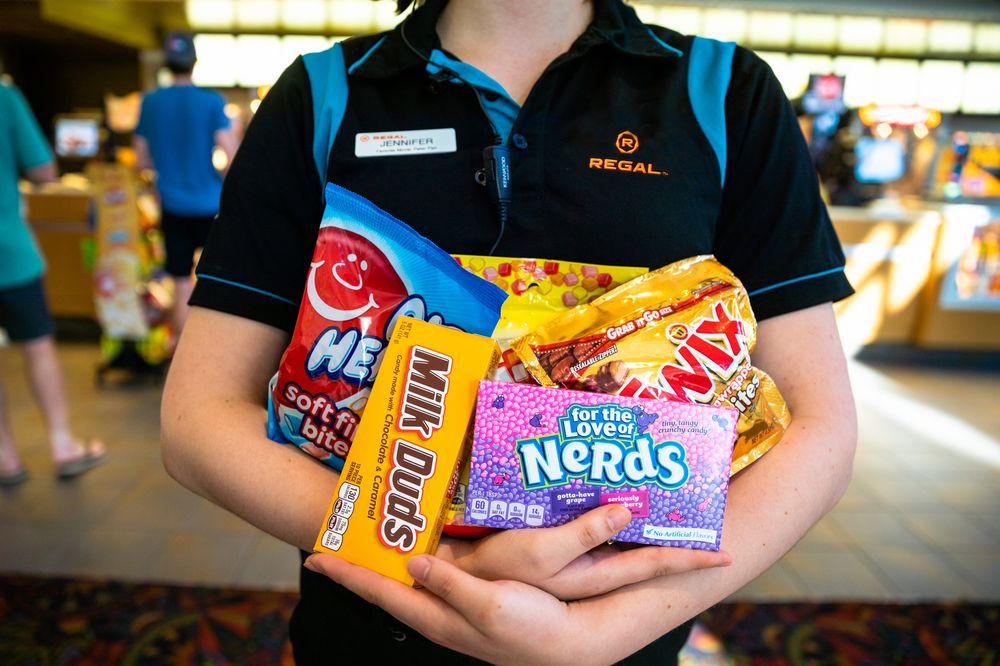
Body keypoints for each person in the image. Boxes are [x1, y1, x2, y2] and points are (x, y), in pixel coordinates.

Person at [160, 0, 857, 663]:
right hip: (370, 632)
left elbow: (817, 423)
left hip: (625, 647)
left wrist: (597, 636)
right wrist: (442, 558)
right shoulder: (322, 95)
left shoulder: (725, 92)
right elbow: (199, 420)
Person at [0, 78, 107, 486]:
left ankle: (5, 457)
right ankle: (62, 444)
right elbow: (44, 170)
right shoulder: (5, 96)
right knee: (37, 344)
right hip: (9, 250)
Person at [132, 32, 237, 343]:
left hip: (172, 205)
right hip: (211, 205)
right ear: (194, 63)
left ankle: (179, 352)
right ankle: (217, 348)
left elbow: (141, 161)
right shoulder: (211, 101)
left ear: (166, 64)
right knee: (218, 280)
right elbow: (232, 156)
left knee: (179, 283)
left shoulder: (150, 102)